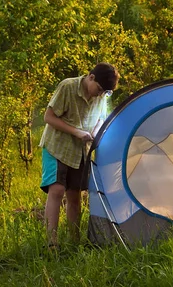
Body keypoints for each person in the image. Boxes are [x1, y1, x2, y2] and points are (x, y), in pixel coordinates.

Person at [39, 62, 120, 249]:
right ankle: (52, 243)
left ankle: (74, 242)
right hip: (57, 146)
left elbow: (100, 118)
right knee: (57, 190)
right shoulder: (68, 87)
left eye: (104, 93)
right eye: (99, 89)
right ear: (91, 77)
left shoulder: (102, 95)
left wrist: (97, 132)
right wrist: (77, 132)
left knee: (74, 194)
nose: (99, 94)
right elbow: (48, 117)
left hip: (80, 151)